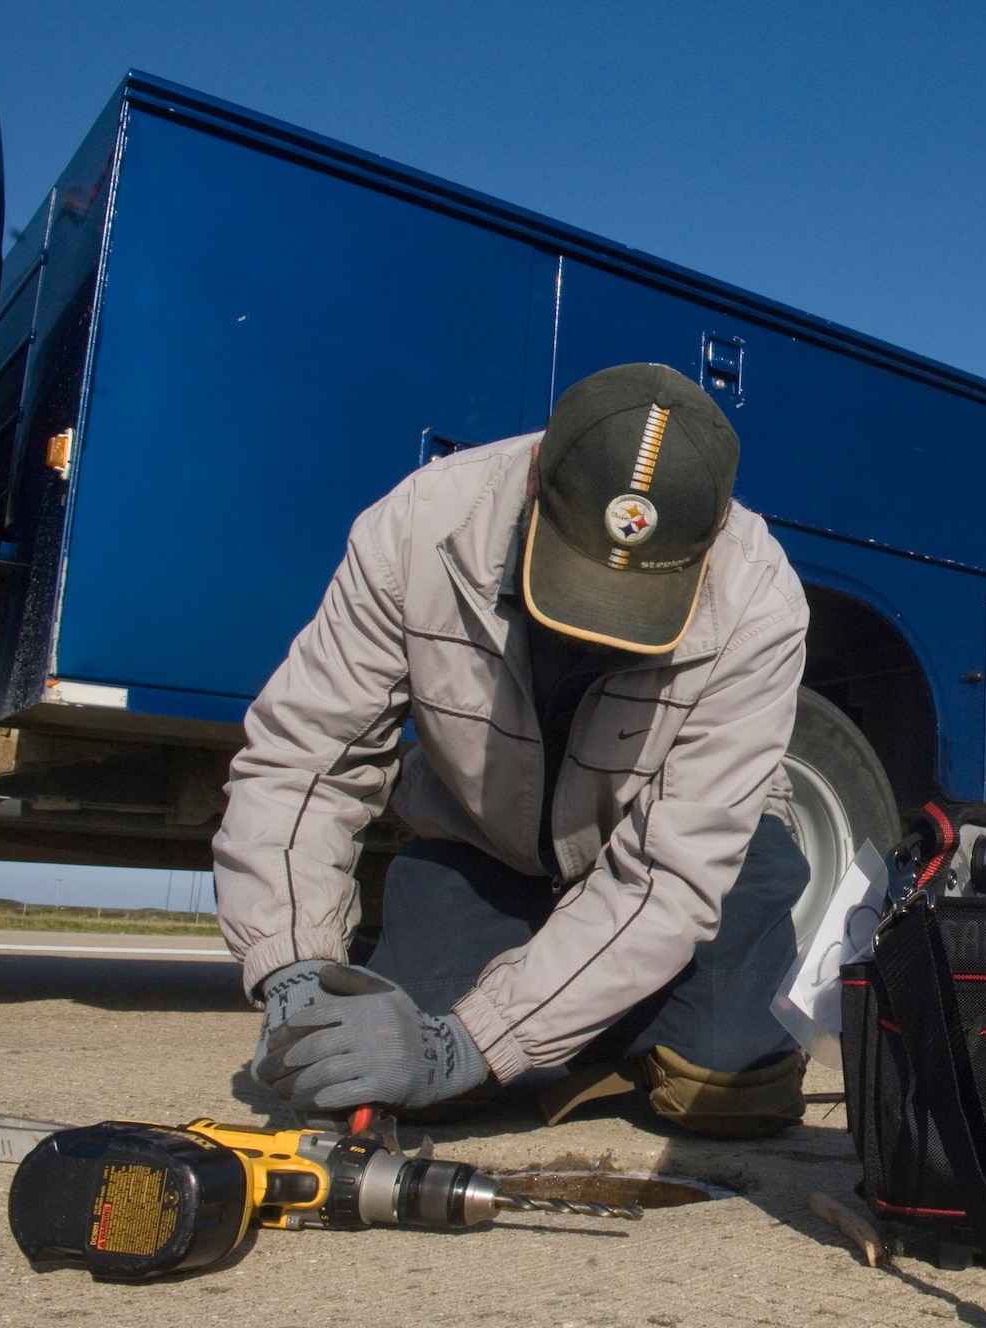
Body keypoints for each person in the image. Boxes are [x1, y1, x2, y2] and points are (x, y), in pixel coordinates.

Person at [213, 363, 813, 1134]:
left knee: (728, 1083)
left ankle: (605, 1023)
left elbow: (669, 875)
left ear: (708, 539)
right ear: (537, 478)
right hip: (487, 843)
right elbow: (307, 759)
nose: (596, 629)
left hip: (673, 855)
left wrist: (472, 1042)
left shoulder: (759, 603)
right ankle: (580, 1012)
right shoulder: (419, 529)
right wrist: (293, 964)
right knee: (388, 1068)